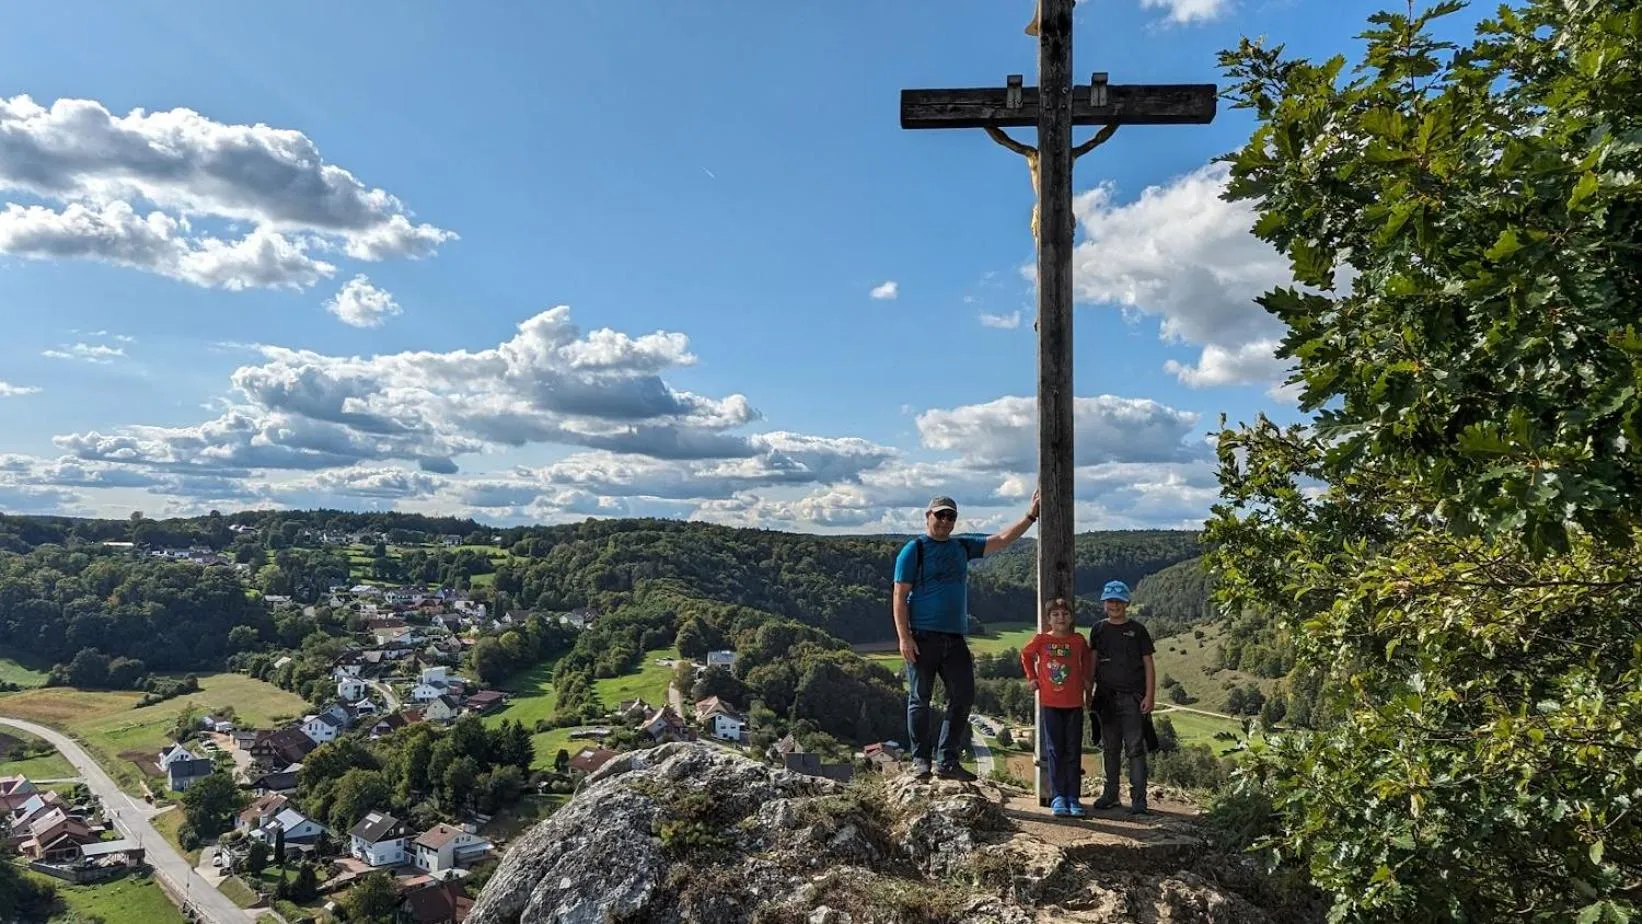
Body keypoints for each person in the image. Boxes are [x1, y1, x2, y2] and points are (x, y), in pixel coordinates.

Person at [893, 491, 1040, 780]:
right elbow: (899, 595)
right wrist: (904, 637)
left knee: (962, 697)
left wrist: (1031, 516)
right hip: (922, 636)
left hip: (955, 638)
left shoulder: (961, 547)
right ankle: (920, 760)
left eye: (951, 516)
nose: (945, 521)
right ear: (928, 516)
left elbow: (1001, 540)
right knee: (919, 699)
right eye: (940, 514)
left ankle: (946, 761)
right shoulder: (915, 550)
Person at [1020, 597, 1093, 817]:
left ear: (1071, 617)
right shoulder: (1042, 640)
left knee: (1073, 749)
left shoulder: (1078, 640)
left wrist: (1088, 681)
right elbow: (1025, 655)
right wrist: (1031, 678)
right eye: (1055, 615)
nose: (1060, 618)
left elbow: (1088, 660)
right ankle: (1058, 796)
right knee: (1054, 750)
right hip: (1051, 703)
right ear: (1049, 619)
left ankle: (1073, 797)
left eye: (1064, 614)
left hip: (1074, 703)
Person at [1089, 579, 1156, 814]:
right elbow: (1092, 663)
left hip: (1133, 699)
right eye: (1110, 601)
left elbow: (1149, 664)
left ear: (1127, 603)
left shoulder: (1138, 631)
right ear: (1104, 603)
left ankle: (1139, 800)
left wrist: (1150, 695)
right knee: (1110, 748)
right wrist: (1089, 693)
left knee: (1135, 749)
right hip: (1106, 699)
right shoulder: (1098, 629)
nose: (1114, 605)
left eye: (1118, 600)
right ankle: (1111, 795)